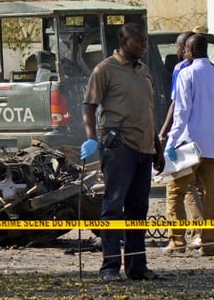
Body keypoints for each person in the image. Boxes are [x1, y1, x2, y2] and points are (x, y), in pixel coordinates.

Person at [80, 23, 165, 282]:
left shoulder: (145, 72)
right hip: (118, 146)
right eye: (138, 40)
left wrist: (158, 148)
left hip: (144, 149)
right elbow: (89, 106)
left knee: (138, 208)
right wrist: (92, 138)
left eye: (145, 41)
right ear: (123, 41)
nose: (143, 45)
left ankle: (137, 266)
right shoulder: (104, 70)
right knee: (114, 207)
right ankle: (109, 267)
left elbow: (148, 112)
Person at [165, 34, 214, 256]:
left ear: (191, 51)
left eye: (186, 50)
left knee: (176, 191)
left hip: (191, 146)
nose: (184, 54)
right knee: (213, 193)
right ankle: (209, 244)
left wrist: (171, 141)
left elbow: (182, 112)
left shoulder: (186, 74)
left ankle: (177, 242)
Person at [158, 31, 206, 256]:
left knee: (179, 188)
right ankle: (201, 235)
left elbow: (177, 106)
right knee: (198, 186)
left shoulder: (181, 70)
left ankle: (181, 239)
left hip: (185, 137)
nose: (178, 51)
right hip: (207, 139)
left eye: (180, 46)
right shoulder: (209, 69)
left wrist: (166, 133)